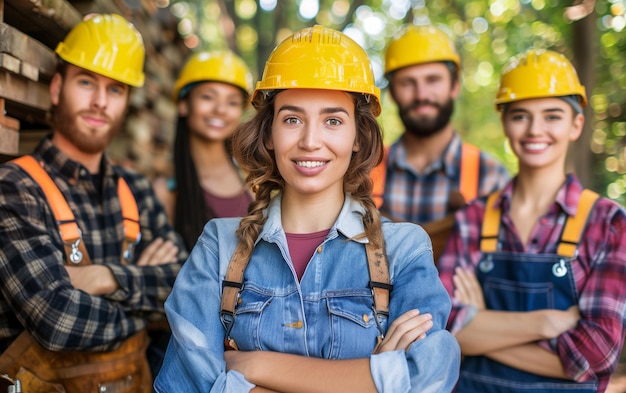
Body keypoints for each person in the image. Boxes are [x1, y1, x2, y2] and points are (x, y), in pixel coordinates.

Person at [154, 25, 460, 393]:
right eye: (292, 119)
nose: (310, 141)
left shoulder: (403, 250)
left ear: (358, 138)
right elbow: (181, 385)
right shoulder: (218, 246)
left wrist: (253, 365)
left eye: (333, 120)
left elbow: (429, 373)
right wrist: (372, 378)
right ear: (268, 134)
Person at [0, 14, 187, 392]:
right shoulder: (15, 188)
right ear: (56, 88)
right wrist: (148, 308)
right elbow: (57, 320)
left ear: (127, 101)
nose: (100, 102)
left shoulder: (134, 187)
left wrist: (105, 277)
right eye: (87, 82)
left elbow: (184, 285)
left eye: (116, 89)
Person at [438, 49, 626, 392]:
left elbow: (595, 355)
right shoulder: (474, 218)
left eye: (552, 116)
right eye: (521, 116)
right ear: (505, 123)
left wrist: (483, 327)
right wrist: (546, 322)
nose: (535, 130)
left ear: (576, 124)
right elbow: (440, 327)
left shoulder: (607, 223)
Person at [372, 24, 509, 259]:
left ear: (454, 85)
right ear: (392, 93)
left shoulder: (490, 178)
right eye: (408, 83)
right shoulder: (364, 173)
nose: (422, 94)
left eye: (433, 80)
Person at [153, 50, 254, 251]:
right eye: (208, 97)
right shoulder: (166, 192)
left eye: (232, 102)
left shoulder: (254, 180)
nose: (221, 109)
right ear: (183, 104)